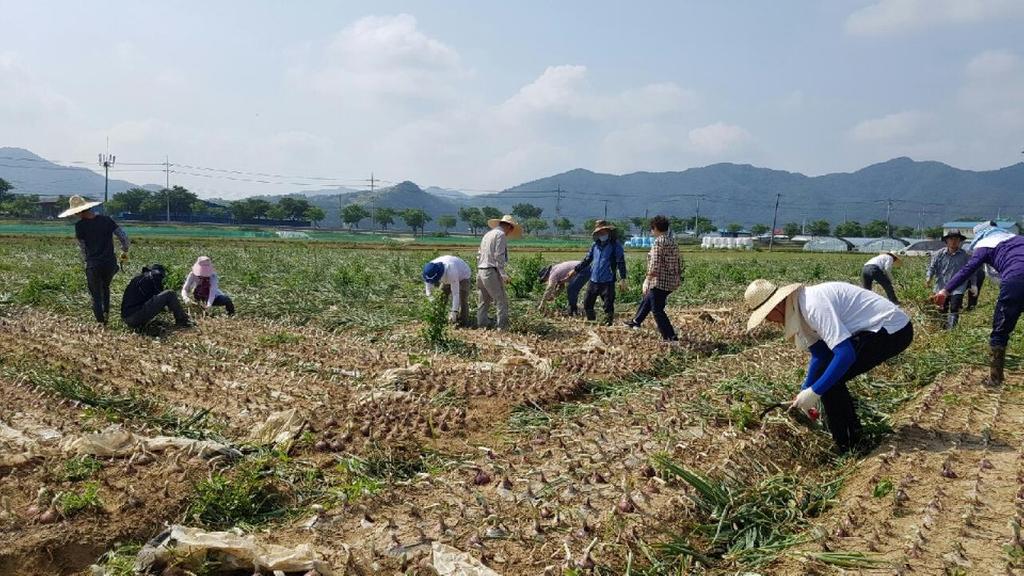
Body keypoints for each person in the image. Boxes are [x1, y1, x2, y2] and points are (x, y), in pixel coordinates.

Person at [745, 279, 913, 453]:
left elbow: (845, 354)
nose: (768, 321)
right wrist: (805, 390)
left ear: (776, 307)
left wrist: (815, 391)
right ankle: (850, 437)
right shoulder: (797, 310)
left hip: (893, 328)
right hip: (874, 330)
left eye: (766, 316)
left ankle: (850, 445)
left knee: (831, 383)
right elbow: (821, 354)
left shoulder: (812, 306)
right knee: (829, 379)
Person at [933, 221, 1024, 386]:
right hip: (1017, 276)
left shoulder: (985, 245)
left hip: (1017, 280)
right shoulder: (1018, 239)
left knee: (1000, 329)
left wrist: (945, 291)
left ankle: (995, 378)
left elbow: (967, 270)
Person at [58, 195, 130, 324]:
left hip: (94, 264)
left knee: (96, 295)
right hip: (109, 262)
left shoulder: (80, 226)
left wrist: (87, 262)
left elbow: (83, 247)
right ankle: (106, 315)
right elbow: (123, 236)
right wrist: (125, 249)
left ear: (79, 212)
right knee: (105, 287)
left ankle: (101, 322)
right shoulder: (106, 220)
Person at [625, 215, 681, 341]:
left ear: (655, 228)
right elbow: (679, 262)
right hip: (671, 280)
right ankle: (636, 321)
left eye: (651, 228)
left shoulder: (659, 242)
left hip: (659, 281)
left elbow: (654, 263)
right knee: (648, 298)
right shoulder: (672, 241)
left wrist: (647, 279)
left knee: (657, 310)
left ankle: (670, 337)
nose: (651, 231)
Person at [570, 221, 627, 325]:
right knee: (587, 304)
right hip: (594, 280)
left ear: (608, 231)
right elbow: (587, 260)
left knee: (608, 305)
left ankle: (608, 326)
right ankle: (592, 322)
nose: (602, 234)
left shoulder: (615, 245)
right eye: (599, 232)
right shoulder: (595, 246)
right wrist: (575, 270)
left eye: (603, 231)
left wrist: (623, 278)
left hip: (608, 281)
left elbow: (620, 261)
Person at [477, 215, 521, 330]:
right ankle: (502, 328)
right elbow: (499, 255)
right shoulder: (500, 235)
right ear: (509, 227)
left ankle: (482, 324)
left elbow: (479, 254)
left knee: (484, 300)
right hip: (490, 271)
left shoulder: (488, 234)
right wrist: (502, 274)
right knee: (501, 301)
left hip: (481, 270)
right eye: (511, 230)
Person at [926, 229, 972, 329]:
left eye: (957, 239)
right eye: (951, 239)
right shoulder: (938, 254)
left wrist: (974, 285)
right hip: (941, 286)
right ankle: (943, 328)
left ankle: (952, 331)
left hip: (958, 287)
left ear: (960, 241)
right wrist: (929, 277)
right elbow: (931, 267)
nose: (954, 241)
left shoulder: (965, 256)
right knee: (942, 308)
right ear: (947, 241)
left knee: (955, 307)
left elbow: (971, 271)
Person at [121, 264, 191, 329]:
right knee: (170, 293)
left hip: (127, 317)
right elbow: (161, 297)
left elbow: (153, 299)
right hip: (134, 316)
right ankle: (182, 321)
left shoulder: (140, 278)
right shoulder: (154, 275)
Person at [423, 255, 471, 326]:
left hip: (463, 275)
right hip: (447, 277)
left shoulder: (451, 271)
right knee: (441, 297)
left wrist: (454, 311)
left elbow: (455, 294)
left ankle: (463, 322)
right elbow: (428, 290)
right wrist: (432, 300)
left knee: (462, 299)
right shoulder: (428, 271)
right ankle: (439, 318)